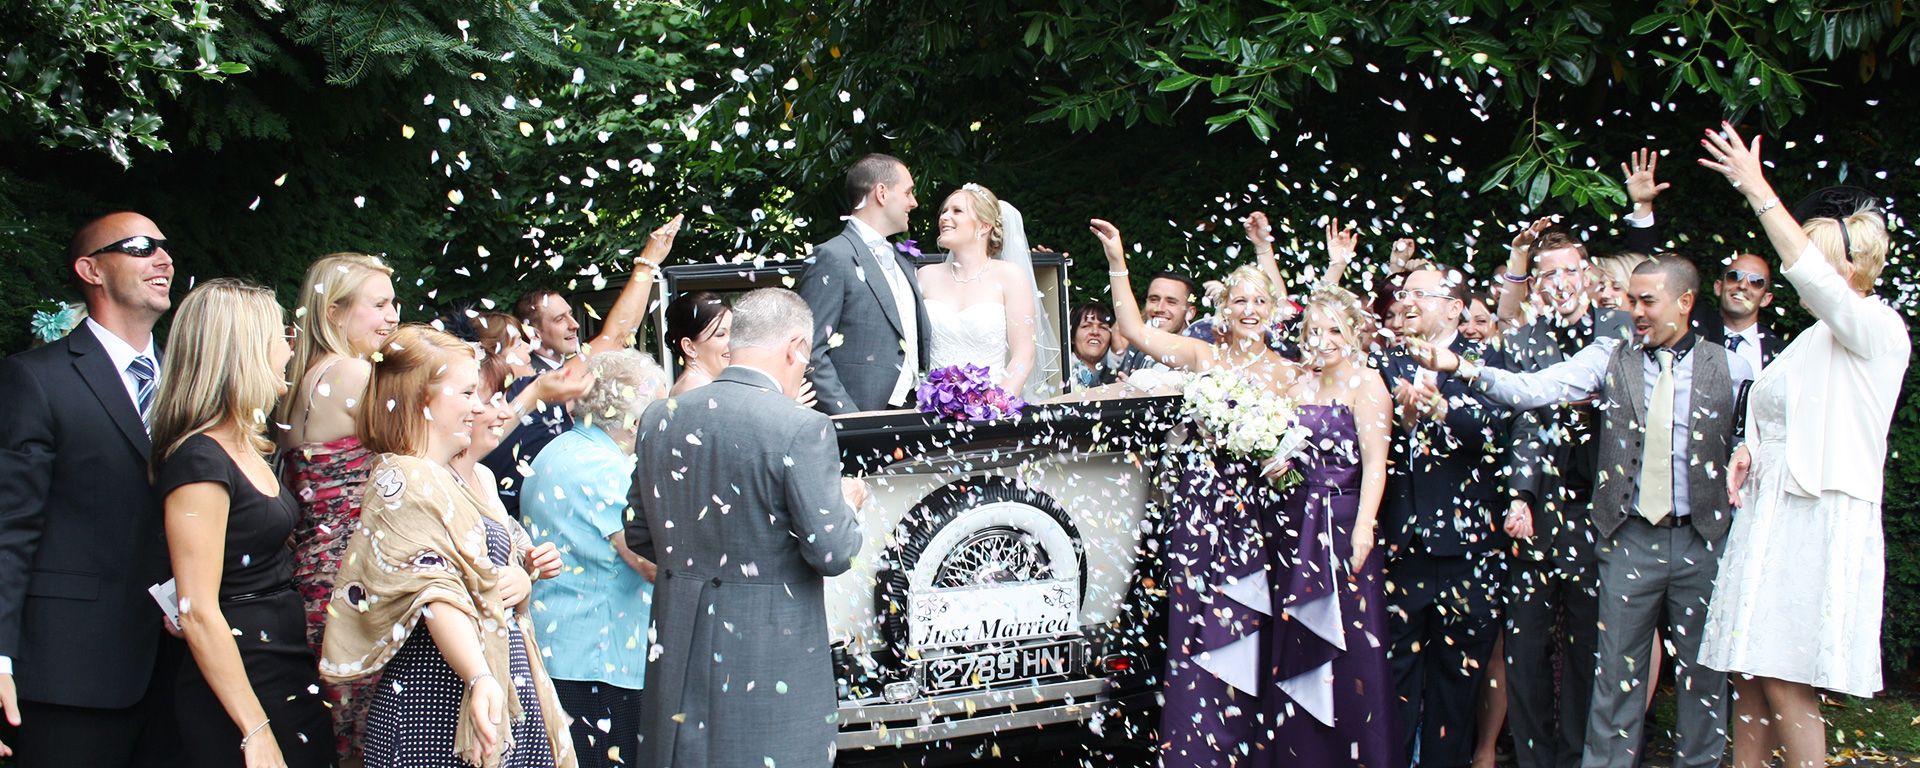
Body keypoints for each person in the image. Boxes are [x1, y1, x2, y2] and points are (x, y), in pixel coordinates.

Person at [1412, 254, 1754, 768]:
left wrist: (1749, 445)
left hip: (1702, 539)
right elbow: (1536, 390)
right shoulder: (1609, 356)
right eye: (1630, 299)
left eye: (1646, 301)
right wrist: (1462, 367)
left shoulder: (1732, 367)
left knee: (1703, 680)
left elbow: (1759, 431)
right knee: (1614, 677)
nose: (1632, 310)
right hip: (1627, 539)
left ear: (1684, 303)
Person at [1698, 125, 1910, 768]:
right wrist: (1747, 447)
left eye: (1816, 260)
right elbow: (1772, 411)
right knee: (1749, 670)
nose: (1800, 274)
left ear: (1849, 264)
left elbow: (1813, 278)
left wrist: (1756, 188)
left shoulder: (1874, 327)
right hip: (1770, 513)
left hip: (1816, 516)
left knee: (1785, 674)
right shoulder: (1809, 340)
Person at [1092, 219, 1302, 768]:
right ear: (1223, 308)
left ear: (1273, 309)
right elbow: (1135, 330)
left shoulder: (1290, 373)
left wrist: (1282, 465)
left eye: (1260, 300)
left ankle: (1251, 748)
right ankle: (1195, 747)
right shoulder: (1204, 356)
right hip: (1203, 507)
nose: (1249, 309)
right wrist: (1118, 259)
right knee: (1196, 627)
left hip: (1260, 517)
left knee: (1254, 627)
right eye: (1239, 300)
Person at [625, 288, 866, 767]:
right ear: (796, 346)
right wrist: (847, 506)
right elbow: (833, 552)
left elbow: (638, 532)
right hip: (769, 652)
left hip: (676, 647)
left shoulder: (660, 416)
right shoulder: (802, 427)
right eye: (806, 357)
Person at [320, 325, 575, 768]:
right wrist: (477, 676)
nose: (479, 408)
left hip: (495, 685)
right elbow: (436, 590)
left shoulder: (448, 477)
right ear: (423, 400)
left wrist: (525, 571)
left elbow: (488, 569)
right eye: (466, 393)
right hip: (436, 701)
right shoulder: (404, 479)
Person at [0, 212, 186, 766]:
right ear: (91, 269)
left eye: (164, 246)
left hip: (179, 671)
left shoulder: (187, 382)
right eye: (139, 246)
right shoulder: (37, 378)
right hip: (69, 672)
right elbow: (9, 530)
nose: (162, 258)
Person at [150, 279, 334, 768]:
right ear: (245, 352)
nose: (290, 351)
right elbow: (196, 610)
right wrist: (255, 730)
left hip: (286, 662)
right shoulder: (198, 460)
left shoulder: (251, 446)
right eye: (280, 337)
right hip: (241, 681)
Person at [1485, 228, 1629, 768]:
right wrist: (1520, 495)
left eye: (1569, 270)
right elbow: (1525, 418)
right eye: (1549, 273)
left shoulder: (1616, 329)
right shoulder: (1525, 339)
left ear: (1588, 273)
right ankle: (1533, 759)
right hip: (1538, 510)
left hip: (1601, 512)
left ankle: (1579, 757)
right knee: (1525, 648)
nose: (1561, 282)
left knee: (1590, 649)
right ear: (1538, 282)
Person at [1376, 265, 1511, 768]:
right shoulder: (1386, 361)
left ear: (1455, 307)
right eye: (1404, 293)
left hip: (1468, 552)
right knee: (1396, 677)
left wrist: (1439, 410)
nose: (1408, 301)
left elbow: (1496, 441)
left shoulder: (1487, 360)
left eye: (1420, 294)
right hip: (1402, 547)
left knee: (1458, 683)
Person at [1264, 286, 1398, 767]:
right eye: (1313, 331)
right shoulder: (1300, 387)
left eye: (1333, 330)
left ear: (1354, 332)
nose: (1323, 339)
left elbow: (1376, 466)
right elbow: (1297, 460)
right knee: (1299, 638)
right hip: (1298, 527)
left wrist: (1365, 528)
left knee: (1351, 645)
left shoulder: (1369, 384)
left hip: (1342, 523)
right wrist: (1282, 467)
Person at [274, 251, 397, 756]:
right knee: (371, 735)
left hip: (314, 572)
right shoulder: (354, 374)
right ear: (333, 314)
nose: (393, 316)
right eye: (380, 304)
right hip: (355, 579)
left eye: (394, 302)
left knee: (343, 730)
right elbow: (430, 454)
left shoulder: (301, 379)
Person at [523, 350, 668, 768]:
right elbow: (645, 562)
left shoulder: (558, 449)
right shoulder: (606, 469)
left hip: (562, 647)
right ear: (635, 418)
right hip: (600, 658)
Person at [489, 215, 681, 516]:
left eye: (570, 314)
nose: (574, 324)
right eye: (559, 319)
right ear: (533, 334)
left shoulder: (504, 390)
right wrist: (648, 261)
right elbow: (616, 335)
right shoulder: (540, 381)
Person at [798, 153, 932, 414]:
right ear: (882, 193)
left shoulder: (903, 261)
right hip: (859, 418)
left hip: (913, 413)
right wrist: (852, 418)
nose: (914, 203)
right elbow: (810, 352)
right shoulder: (831, 257)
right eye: (908, 193)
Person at [919, 182, 1060, 401]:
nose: (944, 217)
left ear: (984, 226)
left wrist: (995, 404)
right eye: (944, 211)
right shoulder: (925, 276)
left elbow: (1024, 354)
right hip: (933, 406)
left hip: (991, 410)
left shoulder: (1010, 276)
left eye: (957, 211)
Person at [1109, 269, 1198, 373]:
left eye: (1171, 302)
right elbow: (1099, 386)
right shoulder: (1136, 347)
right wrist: (1116, 353)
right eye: (1154, 299)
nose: (1159, 308)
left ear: (1190, 312)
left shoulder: (1202, 353)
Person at [1711, 253, 1785, 371]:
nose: (1742, 285)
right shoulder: (1690, 334)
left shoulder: (1782, 355)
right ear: (1718, 287)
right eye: (1734, 276)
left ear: (1766, 299)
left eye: (1756, 281)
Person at [665, 291, 731, 395]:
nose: (733, 342)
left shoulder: (693, 384)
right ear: (689, 347)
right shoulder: (700, 388)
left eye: (734, 332)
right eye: (720, 334)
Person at [1067, 302, 1118, 390]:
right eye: (1086, 326)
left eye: (1103, 327)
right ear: (1072, 337)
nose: (1095, 332)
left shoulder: (1118, 374)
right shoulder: (1062, 373)